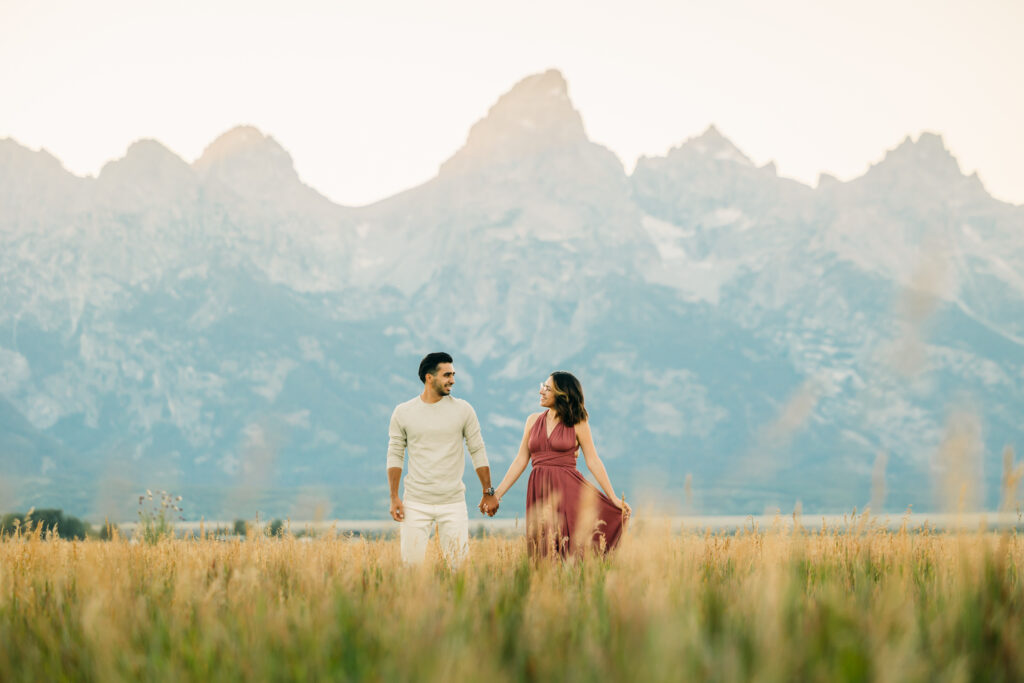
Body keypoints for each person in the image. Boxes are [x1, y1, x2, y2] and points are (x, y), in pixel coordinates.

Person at [488, 371, 631, 558]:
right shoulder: (532, 420)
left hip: (569, 492)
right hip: (538, 490)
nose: (541, 391)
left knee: (571, 548)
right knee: (542, 549)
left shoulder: (578, 422)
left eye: (547, 388)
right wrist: (497, 494)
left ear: (563, 394)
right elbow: (521, 460)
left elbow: (593, 460)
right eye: (543, 386)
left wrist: (612, 497)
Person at [387, 352, 498, 567]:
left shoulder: (464, 410)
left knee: (458, 570)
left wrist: (488, 492)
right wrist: (394, 497)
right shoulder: (403, 412)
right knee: (412, 570)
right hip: (415, 502)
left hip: (453, 502)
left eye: (453, 374)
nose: (453, 380)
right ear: (430, 377)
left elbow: (477, 450)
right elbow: (395, 454)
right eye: (447, 375)